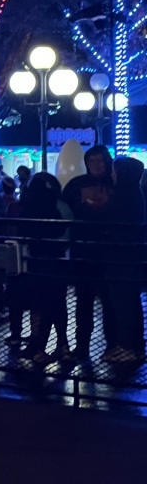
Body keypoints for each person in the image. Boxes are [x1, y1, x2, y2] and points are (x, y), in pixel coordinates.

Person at [62, 144, 115, 359]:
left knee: (109, 300)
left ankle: (112, 344)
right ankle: (83, 344)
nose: (97, 165)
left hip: (107, 251)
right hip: (84, 250)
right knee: (84, 300)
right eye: (92, 160)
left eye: (100, 160)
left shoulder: (116, 184)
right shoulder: (76, 185)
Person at [19, 173, 72, 364]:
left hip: (34, 261)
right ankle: (63, 345)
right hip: (58, 260)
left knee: (38, 305)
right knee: (58, 303)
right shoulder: (60, 207)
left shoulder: (27, 208)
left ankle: (37, 346)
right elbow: (67, 233)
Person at [103, 157, 146, 363]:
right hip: (131, 256)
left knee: (121, 301)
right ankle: (135, 346)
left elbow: (109, 220)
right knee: (131, 301)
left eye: (114, 171)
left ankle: (125, 347)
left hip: (120, 256)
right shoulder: (135, 194)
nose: (112, 175)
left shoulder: (122, 196)